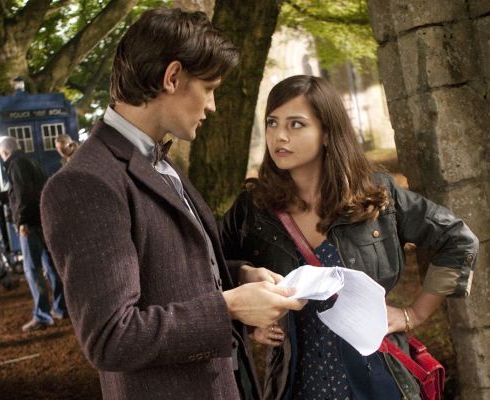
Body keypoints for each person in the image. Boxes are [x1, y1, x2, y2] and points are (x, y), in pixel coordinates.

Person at [41, 8, 306, 400]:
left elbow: (168, 273)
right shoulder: (86, 183)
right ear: (172, 77)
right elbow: (112, 337)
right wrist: (228, 306)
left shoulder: (158, 161)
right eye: (210, 87)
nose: (213, 106)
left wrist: (240, 277)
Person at [220, 75, 480, 399]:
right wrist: (250, 319)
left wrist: (415, 314)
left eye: (296, 124)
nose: (279, 136)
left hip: (380, 379)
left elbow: (458, 239)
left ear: (327, 133)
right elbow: (213, 270)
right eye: (272, 123)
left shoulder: (376, 196)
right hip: (299, 382)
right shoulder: (253, 209)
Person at [0, 138, 67, 331]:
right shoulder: (33, 162)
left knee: (32, 269)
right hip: (43, 220)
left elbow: (22, 195)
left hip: (30, 223)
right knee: (51, 266)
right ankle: (61, 307)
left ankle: (42, 315)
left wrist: (21, 221)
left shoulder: (15, 165)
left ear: (4, 152)